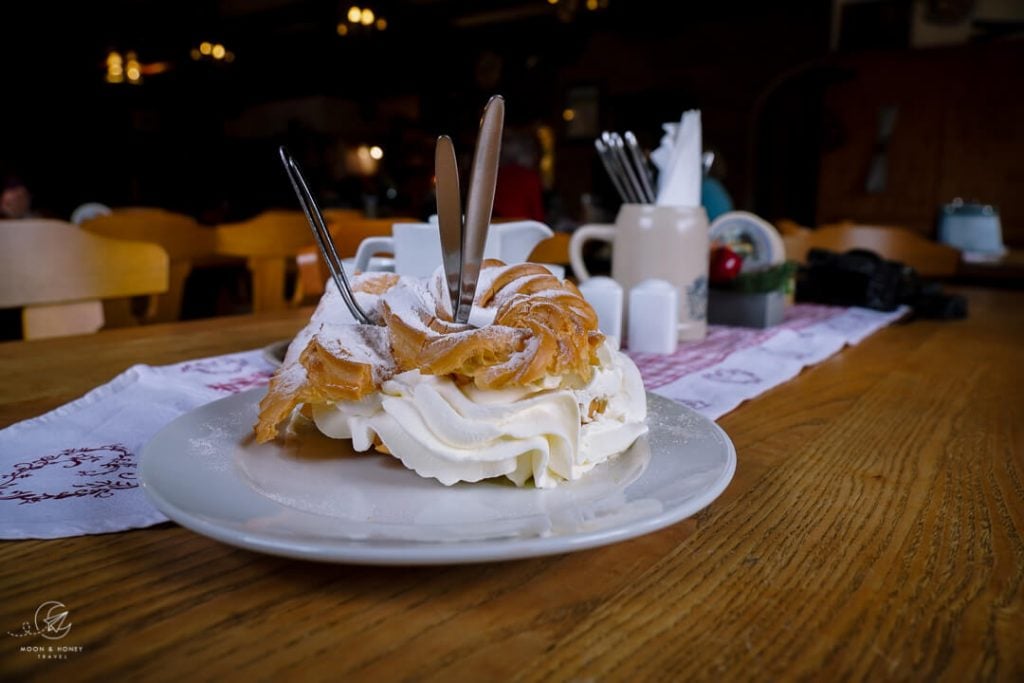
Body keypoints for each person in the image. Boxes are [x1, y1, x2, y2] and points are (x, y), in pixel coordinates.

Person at [492, 127, 545, 222]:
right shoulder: (530, 178)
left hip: (497, 227)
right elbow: (538, 215)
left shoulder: (496, 175)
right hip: (522, 230)